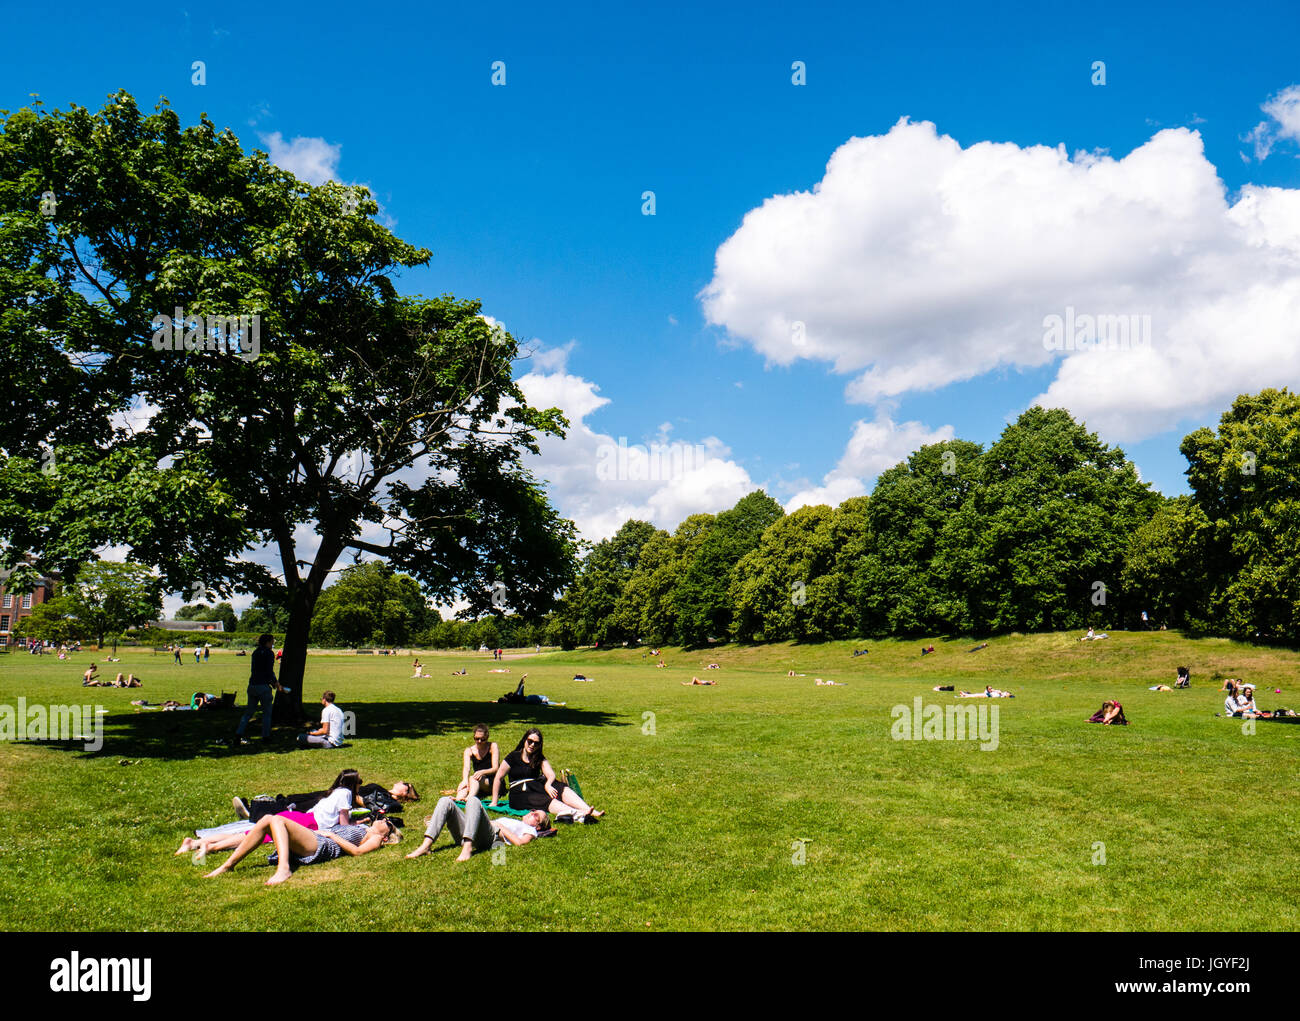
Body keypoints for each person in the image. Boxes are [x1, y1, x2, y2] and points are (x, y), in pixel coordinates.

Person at [203, 815, 400, 886]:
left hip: (324, 845)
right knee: (266, 820)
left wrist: (333, 836)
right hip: (318, 837)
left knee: (276, 819)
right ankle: (228, 865)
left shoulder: (375, 838)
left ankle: (284, 868)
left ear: (386, 835)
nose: (384, 820)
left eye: (388, 823)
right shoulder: (365, 827)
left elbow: (357, 852)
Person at [489, 729, 604, 822]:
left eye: (536, 743)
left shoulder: (538, 757)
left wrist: (548, 784)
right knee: (543, 799)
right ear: (524, 740)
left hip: (535, 787)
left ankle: (588, 809)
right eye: (530, 741)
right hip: (520, 794)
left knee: (558, 785)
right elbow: (499, 777)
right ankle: (578, 813)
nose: (532, 745)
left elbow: (550, 774)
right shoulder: (513, 757)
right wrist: (494, 801)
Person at [405, 796, 550, 862]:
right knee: (445, 801)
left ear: (538, 826)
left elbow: (520, 843)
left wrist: (501, 827)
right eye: (533, 810)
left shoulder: (531, 831)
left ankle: (467, 848)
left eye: (536, 816)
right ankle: (425, 846)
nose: (532, 813)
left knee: (474, 800)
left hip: (488, 838)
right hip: (474, 829)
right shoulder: (516, 821)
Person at [235, 776, 419, 822]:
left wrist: (354, 796)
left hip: (341, 800)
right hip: (338, 792)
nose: (402, 781)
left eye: (406, 784)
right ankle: (257, 805)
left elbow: (377, 809)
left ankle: (254, 813)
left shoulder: (391, 802)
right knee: (297, 798)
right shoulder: (383, 791)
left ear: (406, 793)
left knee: (300, 807)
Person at [234, 633, 282, 745]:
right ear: (267, 642)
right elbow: (268, 671)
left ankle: (238, 734)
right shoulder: (269, 653)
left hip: (252, 685)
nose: (273, 643)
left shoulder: (255, 653)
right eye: (272, 641)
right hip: (263, 686)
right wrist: (275, 683)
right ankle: (265, 736)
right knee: (266, 713)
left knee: (248, 713)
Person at [456, 724, 500, 801]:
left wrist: (482, 772)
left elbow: (496, 768)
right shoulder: (469, 750)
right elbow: (466, 768)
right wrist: (465, 780)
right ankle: (457, 799)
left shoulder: (492, 746)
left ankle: (469, 798)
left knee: (472, 778)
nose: (479, 741)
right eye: (477, 739)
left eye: (482, 739)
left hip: (493, 781)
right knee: (466, 782)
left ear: (487, 738)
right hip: (478, 780)